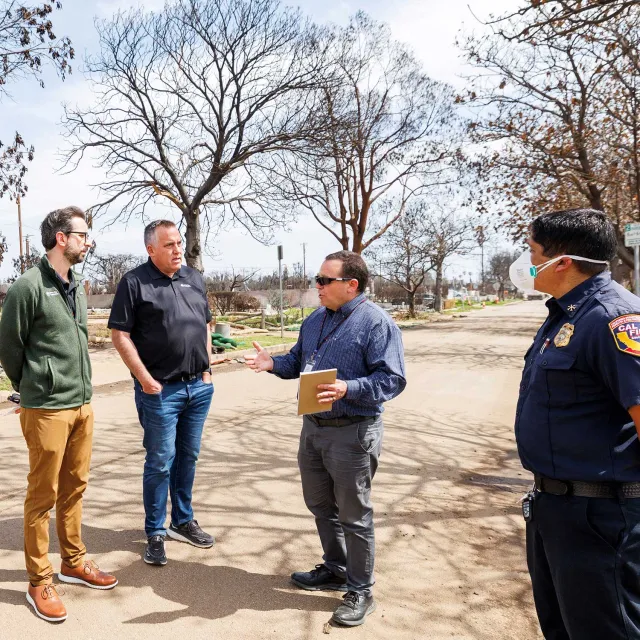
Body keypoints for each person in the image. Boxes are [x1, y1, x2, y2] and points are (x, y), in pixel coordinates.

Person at [245, 250, 406, 627]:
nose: (316, 286)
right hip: (314, 429)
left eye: (324, 280)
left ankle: (361, 589)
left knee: (354, 513)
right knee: (320, 505)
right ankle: (335, 568)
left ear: (351, 285)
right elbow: (297, 361)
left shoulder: (376, 324)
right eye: (316, 279)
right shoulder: (316, 319)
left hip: (352, 432)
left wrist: (346, 388)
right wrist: (272, 364)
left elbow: (392, 380)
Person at [511, 208, 640, 639]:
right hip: (556, 508)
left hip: (600, 516)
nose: (525, 262)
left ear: (562, 261)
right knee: (564, 627)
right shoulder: (566, 314)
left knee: (606, 629)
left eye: (532, 251)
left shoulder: (612, 318)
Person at [0, 207, 117, 623]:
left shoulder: (76, 285)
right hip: (46, 408)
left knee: (75, 488)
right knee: (42, 496)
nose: (89, 241)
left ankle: (74, 561)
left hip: (82, 404)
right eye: (83, 234)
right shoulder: (28, 287)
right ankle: (39, 580)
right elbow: (10, 348)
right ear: (60, 238)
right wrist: (33, 385)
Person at [108, 220, 214, 566]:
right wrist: (144, 378)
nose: (177, 249)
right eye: (169, 245)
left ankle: (182, 521)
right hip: (159, 392)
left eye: (179, 242)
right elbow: (120, 336)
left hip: (197, 388)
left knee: (189, 457)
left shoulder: (194, 279)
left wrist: (208, 368)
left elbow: (206, 324)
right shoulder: (134, 282)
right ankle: (155, 531)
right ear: (151, 249)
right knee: (159, 461)